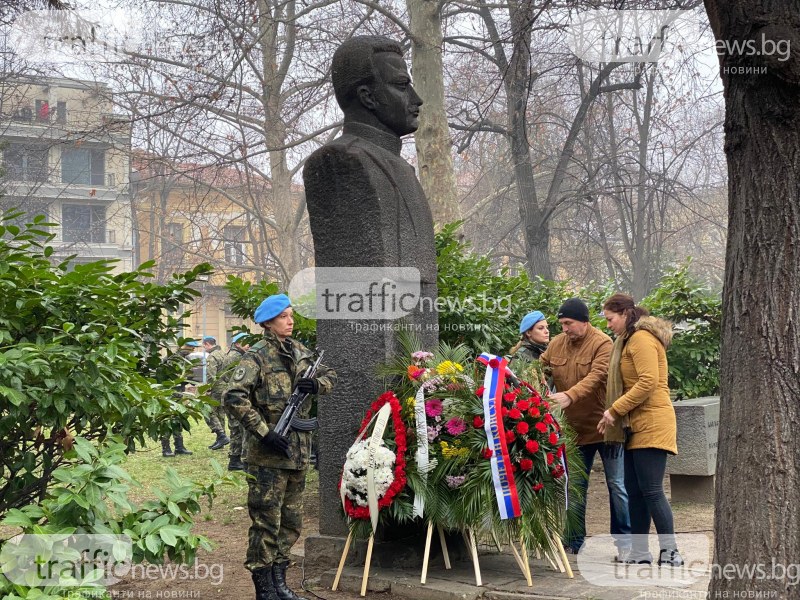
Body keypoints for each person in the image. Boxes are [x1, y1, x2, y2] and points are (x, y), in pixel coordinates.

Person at [223, 294, 336, 600]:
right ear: (268, 323)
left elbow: (330, 376)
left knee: (291, 523)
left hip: (297, 453)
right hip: (268, 455)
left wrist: (317, 385)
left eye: (291, 315)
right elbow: (233, 396)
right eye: (284, 316)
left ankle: (280, 584)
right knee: (265, 524)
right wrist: (263, 432)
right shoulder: (256, 357)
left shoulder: (300, 351)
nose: (290, 320)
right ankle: (264, 590)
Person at [539, 298, 631, 557]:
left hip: (606, 428)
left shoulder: (603, 342)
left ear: (584, 321)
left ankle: (624, 544)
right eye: (562, 324)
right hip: (574, 431)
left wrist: (569, 395)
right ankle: (574, 542)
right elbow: (539, 368)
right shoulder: (557, 344)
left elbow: (598, 376)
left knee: (617, 486)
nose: (564, 329)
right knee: (575, 487)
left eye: (568, 323)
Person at [597, 293, 682, 567]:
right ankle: (640, 552)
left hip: (653, 422)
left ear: (624, 314)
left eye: (610, 319)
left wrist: (614, 410)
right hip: (635, 424)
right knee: (634, 490)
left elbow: (648, 382)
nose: (608, 325)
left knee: (652, 490)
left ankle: (671, 552)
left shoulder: (642, 339)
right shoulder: (627, 340)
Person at [211, 331, 251, 470]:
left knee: (237, 429)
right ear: (238, 343)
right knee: (239, 429)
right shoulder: (237, 356)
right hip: (234, 397)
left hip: (231, 395)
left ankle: (235, 460)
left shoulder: (235, 354)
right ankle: (236, 460)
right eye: (246, 343)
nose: (249, 346)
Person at [157, 341, 198, 458]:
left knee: (177, 419)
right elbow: (169, 376)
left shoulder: (183, 358)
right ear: (185, 347)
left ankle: (179, 447)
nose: (193, 350)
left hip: (178, 392)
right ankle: (166, 448)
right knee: (166, 420)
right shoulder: (173, 359)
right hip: (169, 393)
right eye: (191, 347)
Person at [203, 336, 230, 451]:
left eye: (204, 346)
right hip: (226, 387)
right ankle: (221, 440)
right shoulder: (223, 354)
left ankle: (221, 435)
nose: (204, 348)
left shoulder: (212, 356)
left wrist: (208, 389)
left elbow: (211, 375)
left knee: (207, 411)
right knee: (220, 413)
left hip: (216, 388)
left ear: (207, 344)